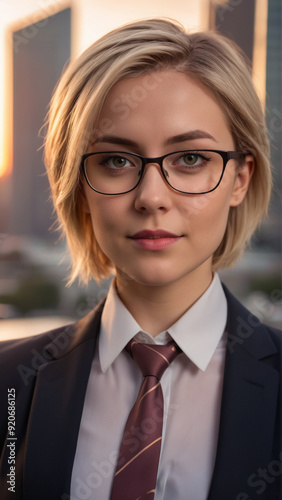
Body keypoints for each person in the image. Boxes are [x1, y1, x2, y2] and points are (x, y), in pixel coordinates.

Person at [0, 18, 281, 500]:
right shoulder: (9, 382)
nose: (152, 198)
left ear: (240, 179)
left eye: (190, 158)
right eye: (116, 160)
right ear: (77, 183)